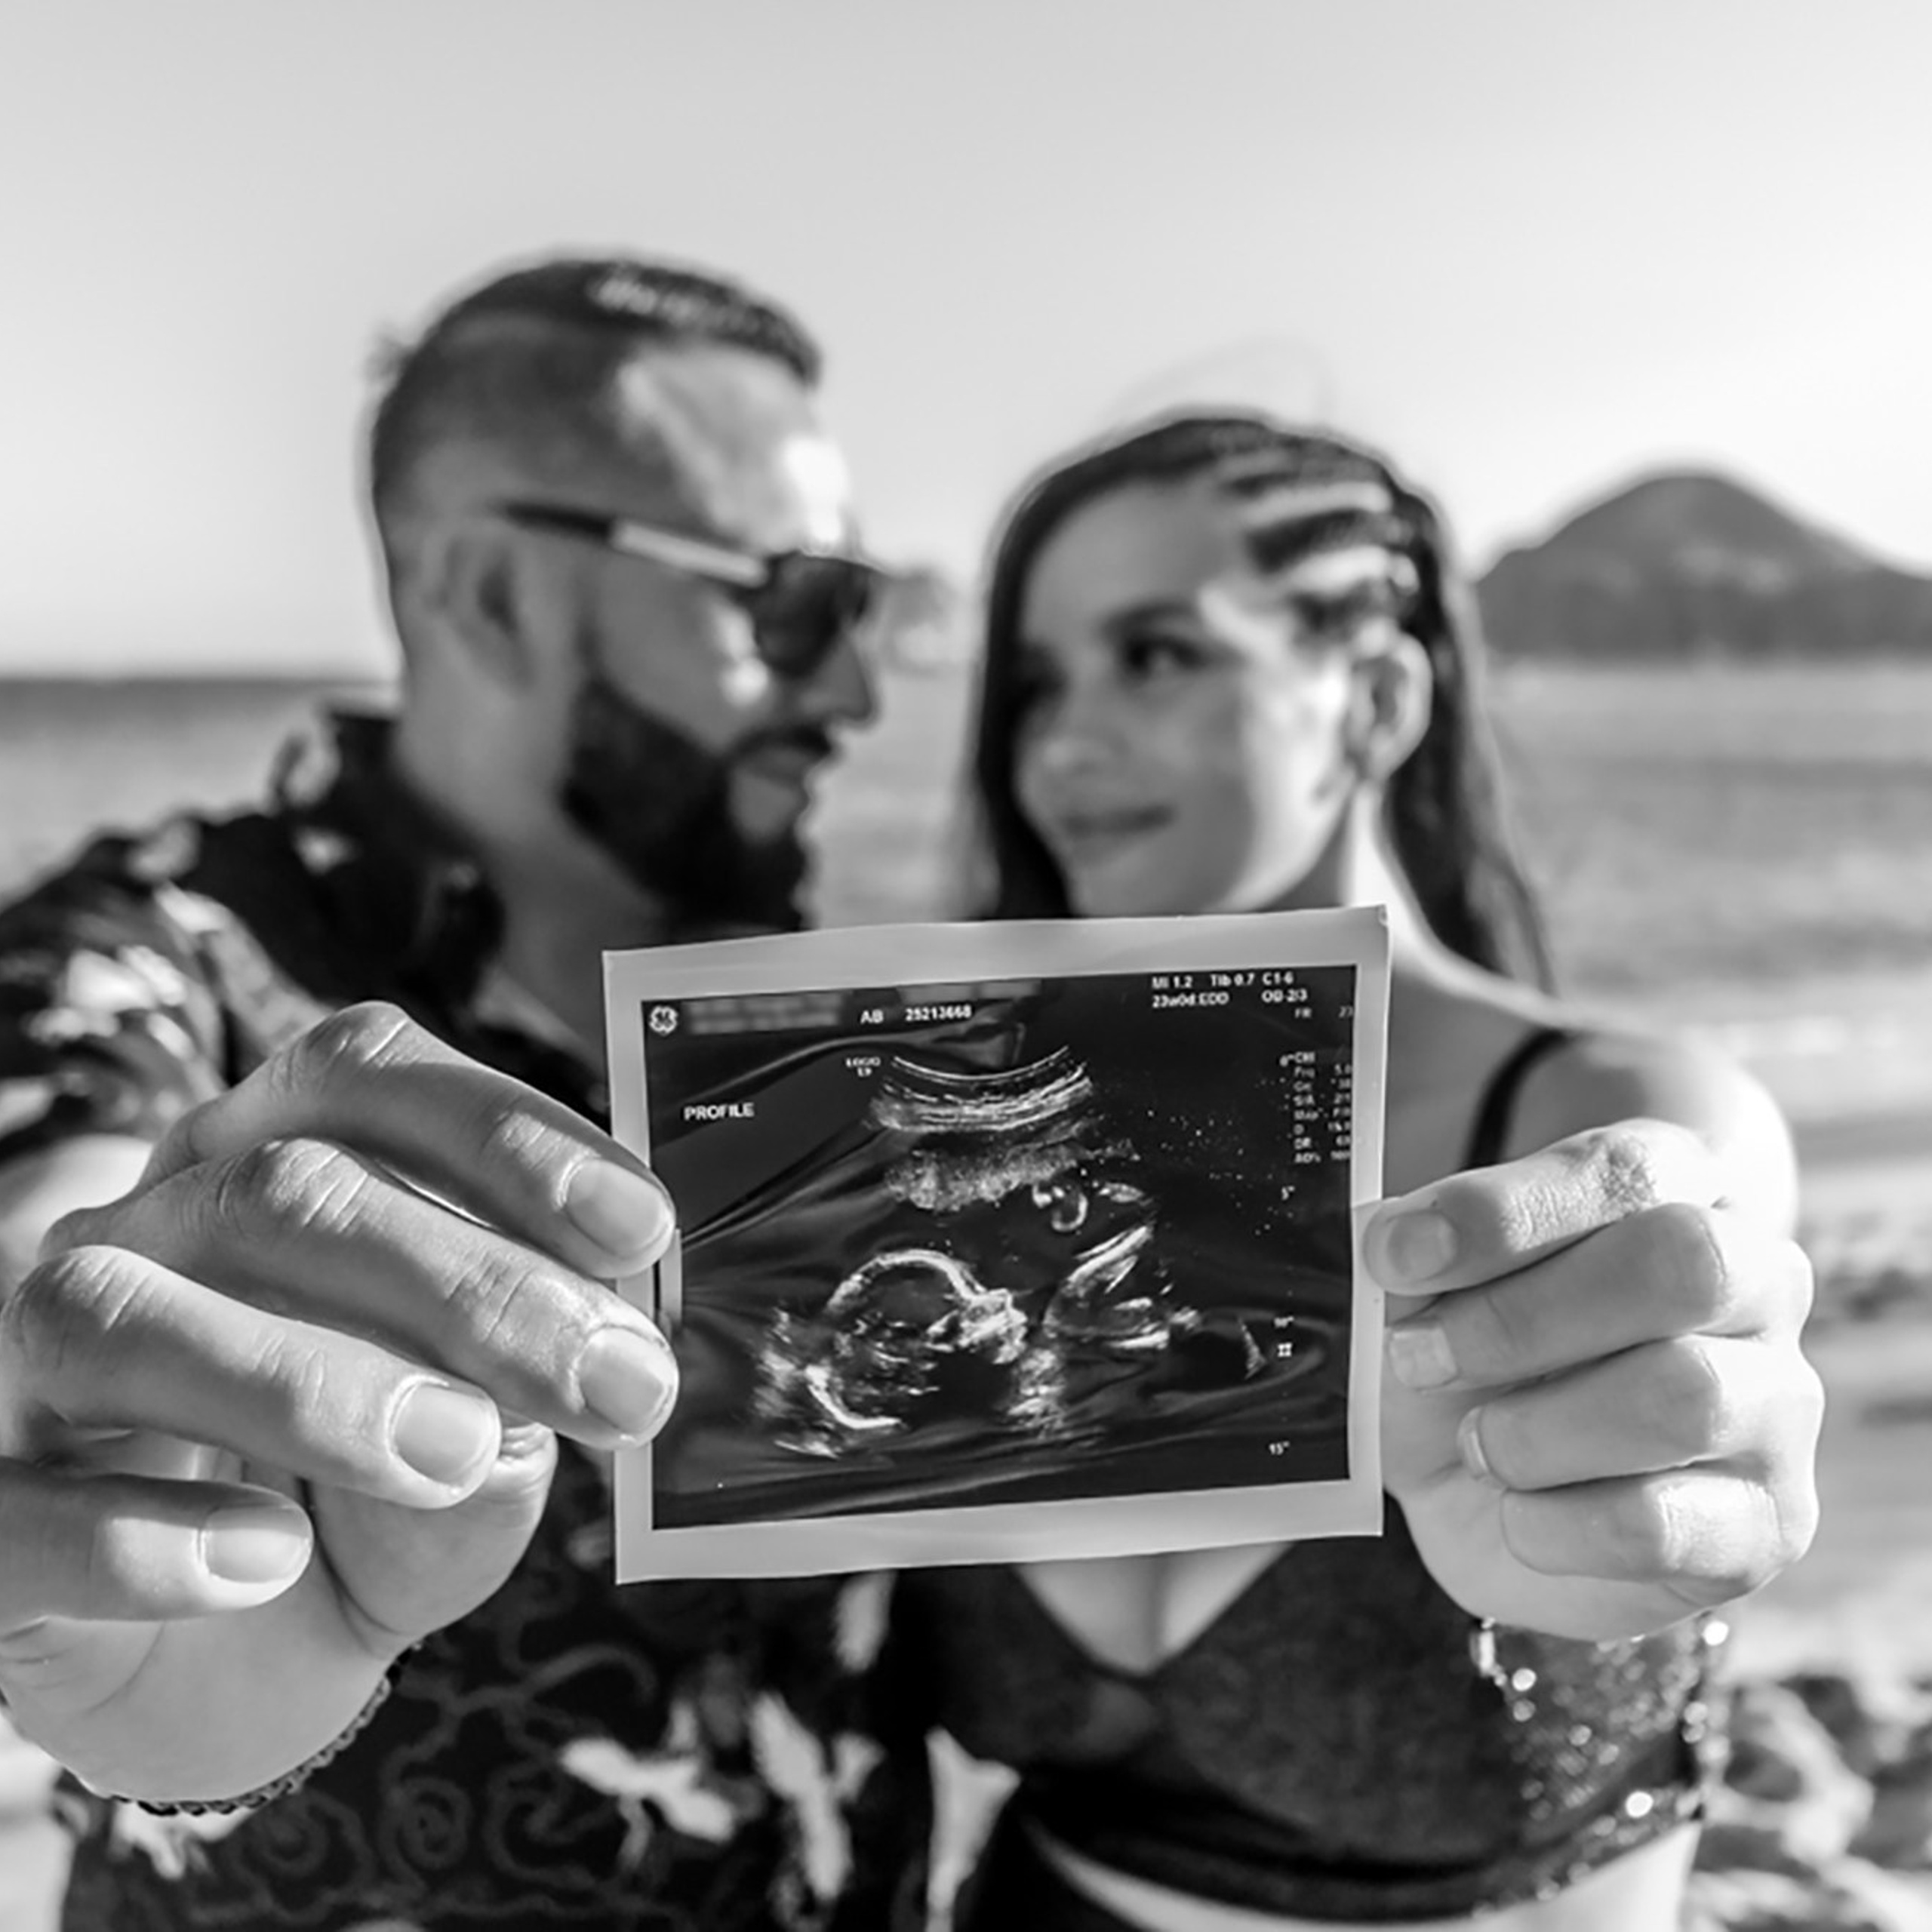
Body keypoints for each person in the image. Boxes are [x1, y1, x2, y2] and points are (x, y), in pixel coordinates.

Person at [0, 255, 930, 1931]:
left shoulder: (838, 1020)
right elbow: (63, 1212)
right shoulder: (165, 957)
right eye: (794, 605)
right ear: (492, 594)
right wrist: (75, 1438)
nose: (856, 694)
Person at [893, 410, 1824, 1930]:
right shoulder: (968, 1151)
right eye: (1038, 683)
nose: (1060, 747)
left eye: (1156, 655)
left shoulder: (1604, 1120)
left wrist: (1686, 1447)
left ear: (1376, 699)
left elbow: (1702, 1323)